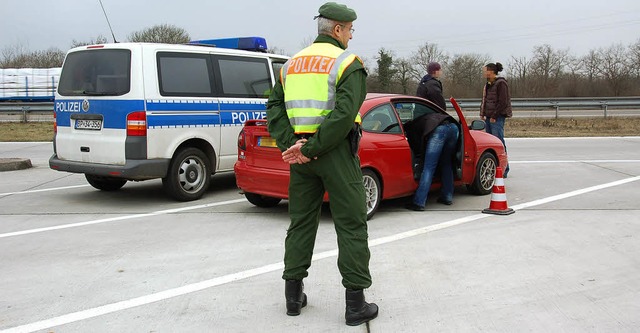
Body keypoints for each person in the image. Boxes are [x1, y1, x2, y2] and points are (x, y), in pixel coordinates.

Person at [265, 2, 378, 326]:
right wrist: (314, 147)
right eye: (350, 30)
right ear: (339, 29)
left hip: (301, 157)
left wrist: (294, 145)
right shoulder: (347, 63)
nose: (351, 37)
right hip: (334, 153)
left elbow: (274, 107)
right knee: (351, 224)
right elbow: (344, 115)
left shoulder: (291, 64)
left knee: (300, 223)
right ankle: (355, 305)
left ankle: (293, 296)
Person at [404, 112, 459, 211]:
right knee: (446, 163)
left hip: (439, 131)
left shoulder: (413, 129)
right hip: (453, 127)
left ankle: (419, 202)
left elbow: (419, 148)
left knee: (429, 167)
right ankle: (447, 197)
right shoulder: (424, 117)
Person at [480, 62, 512, 177]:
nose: (484, 73)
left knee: (499, 142)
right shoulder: (488, 84)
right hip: (489, 117)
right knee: (490, 143)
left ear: (492, 71)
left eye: (485, 70)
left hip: (497, 118)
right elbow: (486, 100)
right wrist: (483, 113)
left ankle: (504, 169)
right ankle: (494, 167)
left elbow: (503, 102)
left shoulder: (501, 83)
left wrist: (494, 115)